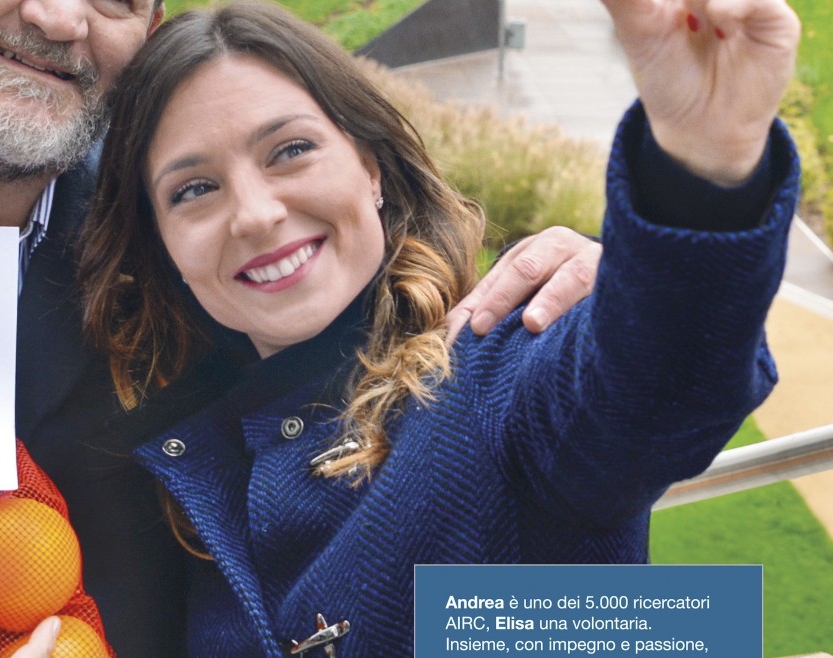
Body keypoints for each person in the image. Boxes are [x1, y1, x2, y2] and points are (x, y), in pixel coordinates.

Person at [0, 0, 599, 654]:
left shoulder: (198, 257)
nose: (59, 17)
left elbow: (559, 547)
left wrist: (626, 292)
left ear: (144, 37)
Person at [76, 0, 800, 655]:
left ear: (372, 170)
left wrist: (702, 167)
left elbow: (659, 381)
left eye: (290, 150)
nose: (256, 214)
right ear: (161, 245)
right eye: (195, 189)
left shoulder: (496, 370)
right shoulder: (177, 469)